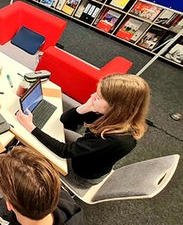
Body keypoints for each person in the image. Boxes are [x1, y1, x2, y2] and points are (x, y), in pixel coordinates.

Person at [17, 74, 151, 187]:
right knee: (46, 135)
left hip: (81, 175)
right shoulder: (112, 114)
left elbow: (64, 151)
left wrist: (31, 127)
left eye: (98, 97)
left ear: (116, 107)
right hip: (85, 151)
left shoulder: (117, 140)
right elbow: (65, 120)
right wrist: (85, 107)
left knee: (29, 153)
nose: (92, 96)